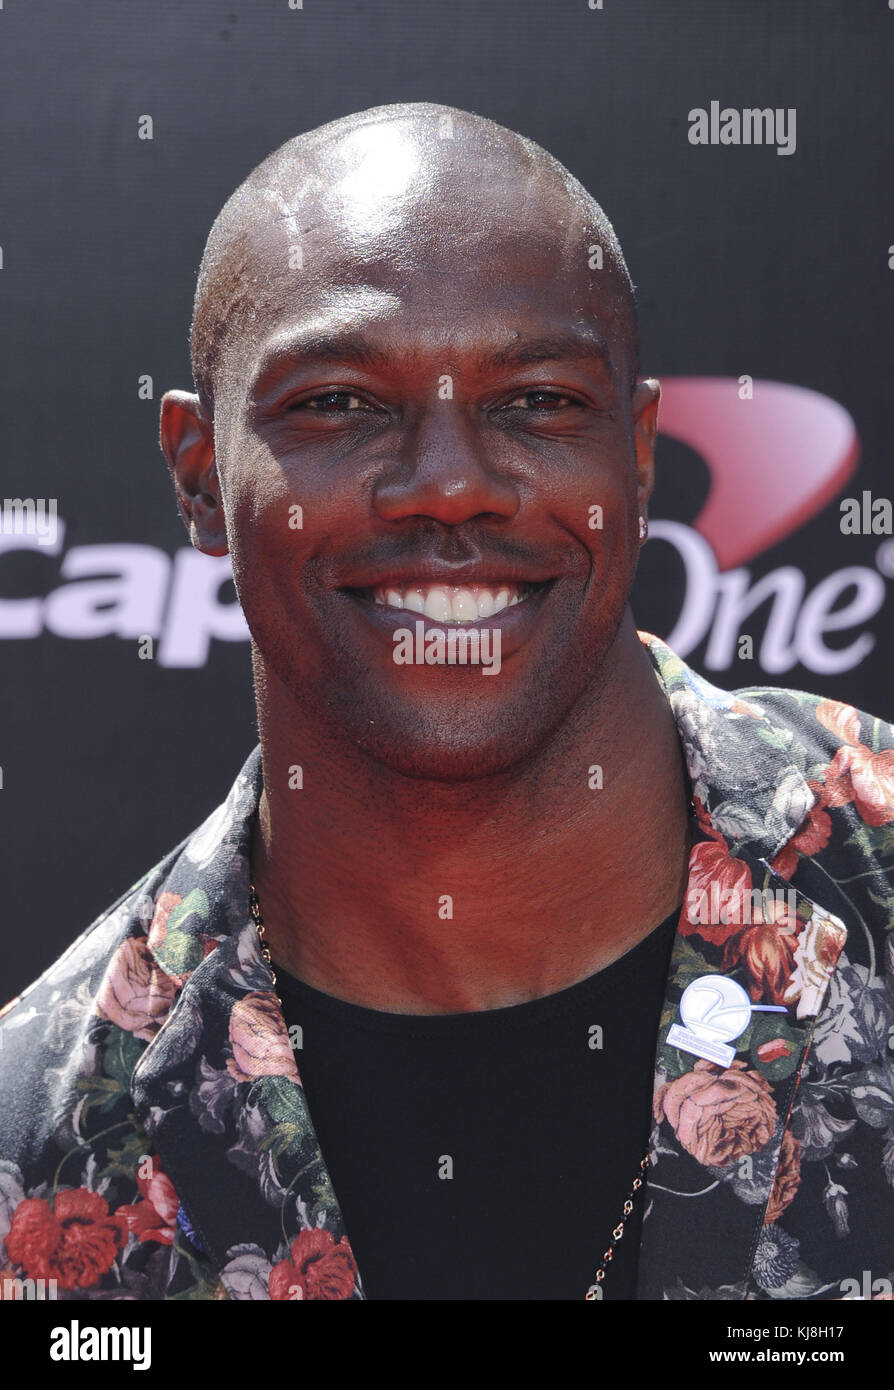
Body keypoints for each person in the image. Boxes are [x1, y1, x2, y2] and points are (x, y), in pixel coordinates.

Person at [1, 103, 892, 1303]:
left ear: (637, 457)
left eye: (537, 400)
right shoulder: (43, 1140)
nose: (451, 485)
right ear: (202, 477)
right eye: (339, 402)